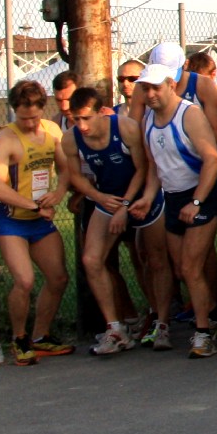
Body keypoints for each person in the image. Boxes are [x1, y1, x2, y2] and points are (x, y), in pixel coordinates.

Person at [134, 62, 217, 358]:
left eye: (155, 88)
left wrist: (196, 201)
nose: (149, 94)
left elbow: (212, 160)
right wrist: (148, 197)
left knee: (190, 267)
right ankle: (214, 313)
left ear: (171, 85)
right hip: (173, 198)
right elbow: (153, 167)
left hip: (201, 194)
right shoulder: (148, 119)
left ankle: (202, 334)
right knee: (181, 270)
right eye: (145, 88)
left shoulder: (190, 114)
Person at [0, 80, 76, 364]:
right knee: (24, 280)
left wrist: (59, 192)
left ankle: (40, 336)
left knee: (59, 278)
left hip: (40, 219)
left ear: (42, 109)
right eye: (23, 118)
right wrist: (32, 206)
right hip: (13, 220)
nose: (29, 123)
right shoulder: (6, 139)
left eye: (34, 117)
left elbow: (65, 170)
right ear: (14, 111)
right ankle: (19, 337)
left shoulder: (51, 131)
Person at [59, 85, 146, 356]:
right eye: (76, 119)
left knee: (150, 258)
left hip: (140, 198)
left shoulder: (127, 128)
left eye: (87, 118)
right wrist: (98, 197)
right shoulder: (70, 140)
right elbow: (75, 176)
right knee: (91, 260)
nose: (81, 125)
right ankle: (116, 328)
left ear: (102, 113)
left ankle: (159, 318)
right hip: (107, 201)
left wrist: (126, 205)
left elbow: (144, 168)